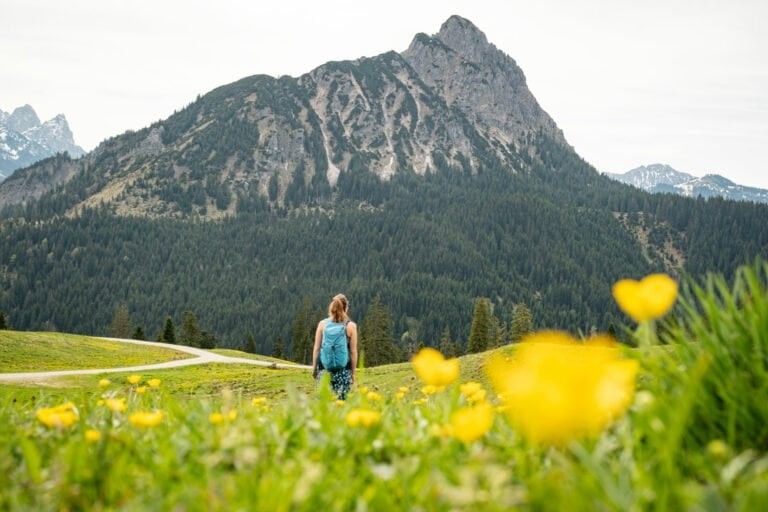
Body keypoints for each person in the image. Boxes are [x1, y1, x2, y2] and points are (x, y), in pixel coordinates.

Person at [312, 294, 358, 400]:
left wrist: (314, 369)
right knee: (342, 404)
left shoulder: (322, 324)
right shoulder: (351, 326)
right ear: (346, 308)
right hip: (343, 372)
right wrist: (353, 373)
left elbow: (317, 349)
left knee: (323, 405)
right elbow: (353, 352)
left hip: (324, 371)